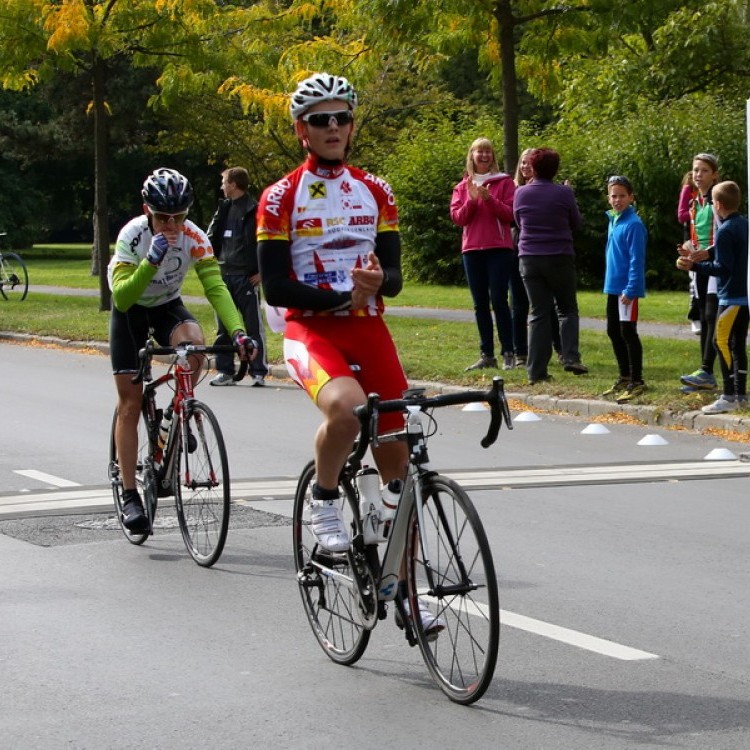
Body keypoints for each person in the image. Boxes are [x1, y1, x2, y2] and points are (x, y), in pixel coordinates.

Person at [256, 73, 443, 636]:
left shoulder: (376, 190)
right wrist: (342, 294)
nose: (333, 127)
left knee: (400, 460)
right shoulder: (279, 196)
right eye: (320, 119)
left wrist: (379, 281)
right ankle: (324, 495)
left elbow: (397, 280)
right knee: (346, 408)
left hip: (368, 329)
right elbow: (275, 288)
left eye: (341, 118)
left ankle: (405, 590)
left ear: (352, 125)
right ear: (301, 131)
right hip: (310, 330)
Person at [108, 167, 255, 533]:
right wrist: (150, 261)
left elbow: (216, 288)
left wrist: (239, 332)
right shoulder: (134, 236)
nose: (171, 224)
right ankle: (129, 495)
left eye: (179, 216)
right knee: (129, 402)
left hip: (166, 306)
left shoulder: (195, 237)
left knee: (193, 345)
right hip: (130, 311)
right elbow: (123, 296)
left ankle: (178, 412)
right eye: (163, 217)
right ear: (148, 211)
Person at [513, 147, 587, 384]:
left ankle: (536, 371)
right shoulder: (563, 193)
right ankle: (570, 357)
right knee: (566, 309)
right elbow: (576, 223)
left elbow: (517, 221)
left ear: (533, 168)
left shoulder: (521, 193)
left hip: (529, 258)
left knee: (538, 313)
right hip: (559, 255)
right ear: (555, 169)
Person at [677, 180, 749, 414]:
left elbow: (722, 268)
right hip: (743, 297)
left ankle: (729, 394)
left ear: (717, 205)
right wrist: (700, 256)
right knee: (737, 346)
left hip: (730, 298)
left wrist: (694, 267)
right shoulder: (743, 224)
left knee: (721, 342)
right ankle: (740, 394)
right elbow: (721, 253)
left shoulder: (726, 230)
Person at [450, 137, 516, 370]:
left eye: (488, 151)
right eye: (480, 151)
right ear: (472, 156)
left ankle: (509, 351)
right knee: (480, 304)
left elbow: (510, 215)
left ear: (493, 156)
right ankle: (487, 354)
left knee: (499, 300)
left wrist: (489, 199)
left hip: (499, 248)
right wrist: (472, 200)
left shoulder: (505, 182)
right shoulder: (462, 186)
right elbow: (458, 218)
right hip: (472, 250)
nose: (484, 155)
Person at [206, 166, 269, 387]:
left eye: (224, 182)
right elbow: (209, 239)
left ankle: (259, 371)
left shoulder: (256, 210)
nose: (221, 186)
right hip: (224, 275)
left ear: (233, 184)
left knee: (253, 326)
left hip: (247, 277)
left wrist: (262, 272)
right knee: (224, 327)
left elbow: (267, 243)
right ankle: (225, 371)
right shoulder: (222, 209)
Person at [511, 148, 562, 368]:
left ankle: (559, 349)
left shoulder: (550, 190)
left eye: (529, 163)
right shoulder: (514, 190)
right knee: (519, 303)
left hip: (539, 253)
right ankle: (520, 353)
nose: (525, 167)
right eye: (522, 163)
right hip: (517, 249)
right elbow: (514, 220)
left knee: (546, 305)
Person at [600, 176, 647, 404]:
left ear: (631, 197)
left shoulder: (634, 224)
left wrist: (631, 288)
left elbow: (637, 261)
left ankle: (637, 380)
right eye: (613, 195)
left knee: (628, 332)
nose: (617, 200)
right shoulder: (613, 220)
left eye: (621, 196)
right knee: (613, 330)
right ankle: (624, 374)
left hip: (626, 290)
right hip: (613, 287)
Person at [678, 153, 721, 393]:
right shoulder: (695, 202)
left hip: (716, 267)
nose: (698, 175)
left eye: (704, 170)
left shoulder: (718, 201)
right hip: (700, 267)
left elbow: (726, 236)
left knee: (712, 317)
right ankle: (705, 373)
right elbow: (694, 237)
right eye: (695, 170)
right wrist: (687, 250)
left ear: (714, 174)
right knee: (704, 318)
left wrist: (708, 252)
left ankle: (707, 370)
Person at [677, 170, 701, 335]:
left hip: (708, 239)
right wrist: (698, 211)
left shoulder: (712, 190)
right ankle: (695, 317)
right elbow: (681, 215)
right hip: (692, 241)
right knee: (694, 280)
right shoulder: (689, 190)